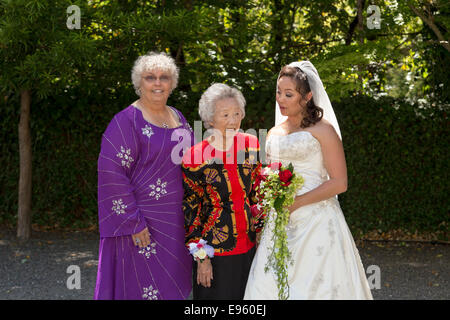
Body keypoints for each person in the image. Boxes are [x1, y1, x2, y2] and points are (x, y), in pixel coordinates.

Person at [244, 61, 373, 300]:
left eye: (289, 94)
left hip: (318, 221)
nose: (281, 99)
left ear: (308, 96)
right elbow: (268, 174)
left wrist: (298, 201)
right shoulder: (274, 132)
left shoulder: (324, 130)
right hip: (280, 220)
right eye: (279, 92)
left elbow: (339, 182)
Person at [94, 52, 194, 300]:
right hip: (142, 224)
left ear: (172, 83)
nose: (158, 83)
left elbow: (193, 161)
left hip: (176, 222)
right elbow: (112, 173)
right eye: (150, 78)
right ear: (139, 83)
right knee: (142, 287)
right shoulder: (125, 121)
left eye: (164, 77)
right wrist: (132, 222)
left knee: (171, 285)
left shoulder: (178, 116)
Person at [182, 83, 262, 300]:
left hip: (252, 248)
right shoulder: (195, 156)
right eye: (225, 114)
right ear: (209, 119)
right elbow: (190, 212)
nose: (233, 120)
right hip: (215, 253)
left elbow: (258, 193)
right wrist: (201, 258)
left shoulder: (252, 145)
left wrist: (264, 231)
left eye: (237, 113)